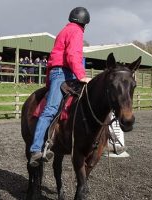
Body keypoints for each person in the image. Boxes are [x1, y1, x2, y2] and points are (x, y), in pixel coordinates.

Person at [29, 7, 91, 167]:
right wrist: (81, 75)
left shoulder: (64, 30)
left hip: (64, 72)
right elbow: (72, 55)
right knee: (50, 110)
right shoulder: (76, 31)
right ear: (85, 22)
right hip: (64, 73)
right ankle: (36, 149)